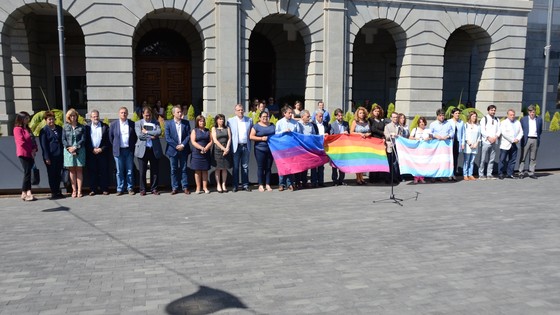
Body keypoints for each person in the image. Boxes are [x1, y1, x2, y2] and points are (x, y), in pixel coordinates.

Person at [135, 106, 163, 196]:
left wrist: (146, 132)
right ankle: (142, 189)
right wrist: (151, 136)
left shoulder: (156, 122)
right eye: (146, 115)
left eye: (150, 115)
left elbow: (158, 132)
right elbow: (140, 135)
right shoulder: (138, 123)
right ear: (142, 114)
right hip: (142, 150)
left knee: (155, 171)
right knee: (142, 171)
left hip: (154, 149)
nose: (148, 117)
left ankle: (154, 188)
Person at [109, 106, 137, 195]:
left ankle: (130, 188)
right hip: (118, 150)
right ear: (119, 114)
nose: (123, 114)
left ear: (127, 114)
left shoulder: (132, 124)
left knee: (129, 170)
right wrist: (115, 146)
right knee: (119, 171)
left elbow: (135, 137)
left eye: (125, 113)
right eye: (122, 112)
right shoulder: (113, 124)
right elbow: (110, 137)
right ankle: (120, 189)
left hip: (129, 150)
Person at [165, 105, 191, 195]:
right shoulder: (168, 123)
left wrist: (183, 145)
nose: (180, 113)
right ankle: (175, 187)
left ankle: (185, 187)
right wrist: (177, 146)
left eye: (181, 112)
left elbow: (188, 135)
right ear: (173, 113)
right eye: (178, 112)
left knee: (184, 169)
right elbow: (167, 138)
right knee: (173, 169)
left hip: (183, 149)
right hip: (173, 150)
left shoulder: (186, 123)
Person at [275, 105, 303, 191]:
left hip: (292, 147)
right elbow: (276, 134)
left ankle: (290, 183)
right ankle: (281, 184)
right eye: (289, 113)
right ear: (284, 113)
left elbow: (299, 134)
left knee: (291, 166)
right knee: (282, 165)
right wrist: (284, 131)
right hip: (282, 148)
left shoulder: (295, 123)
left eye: (292, 113)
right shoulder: (279, 122)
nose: (291, 114)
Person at [227, 104, 253, 192]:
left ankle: (245, 185)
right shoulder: (230, 121)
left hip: (246, 145)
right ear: (235, 111)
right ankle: (235, 185)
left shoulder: (249, 120)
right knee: (236, 167)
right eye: (238, 110)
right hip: (236, 146)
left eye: (242, 110)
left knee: (245, 166)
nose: (241, 111)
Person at [39, 111, 64, 199]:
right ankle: (54, 191)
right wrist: (46, 157)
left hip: (59, 155)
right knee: (52, 174)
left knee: (58, 174)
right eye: (49, 119)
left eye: (52, 119)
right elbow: (43, 145)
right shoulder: (44, 131)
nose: (51, 121)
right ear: (46, 120)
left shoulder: (59, 128)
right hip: (50, 156)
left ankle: (58, 190)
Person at [85, 109, 111, 196]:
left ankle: (104, 189)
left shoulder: (105, 126)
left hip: (102, 152)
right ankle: (93, 189)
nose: (96, 118)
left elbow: (108, 141)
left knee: (103, 171)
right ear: (91, 118)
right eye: (94, 116)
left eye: (97, 116)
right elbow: (86, 141)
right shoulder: (87, 127)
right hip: (91, 153)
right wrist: (92, 149)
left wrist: (101, 149)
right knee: (92, 171)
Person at [13, 111, 38, 201]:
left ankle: (28, 192)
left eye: (28, 118)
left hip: (30, 153)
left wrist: (35, 148)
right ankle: (24, 192)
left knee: (29, 172)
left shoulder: (28, 128)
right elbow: (21, 142)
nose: (28, 120)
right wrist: (30, 150)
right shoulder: (17, 129)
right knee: (27, 172)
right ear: (21, 119)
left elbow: (32, 140)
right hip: (23, 153)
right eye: (26, 118)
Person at [62, 108, 86, 198]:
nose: (73, 117)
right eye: (71, 116)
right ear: (68, 117)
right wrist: (69, 148)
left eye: (74, 115)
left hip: (80, 149)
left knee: (79, 169)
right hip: (68, 151)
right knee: (72, 170)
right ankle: (74, 190)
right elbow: (63, 139)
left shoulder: (81, 127)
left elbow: (83, 139)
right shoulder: (65, 127)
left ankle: (80, 190)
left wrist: (75, 147)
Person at [249, 111, 275, 192]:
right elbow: (251, 136)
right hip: (259, 149)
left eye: (266, 116)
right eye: (263, 116)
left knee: (268, 168)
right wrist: (261, 138)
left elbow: (277, 134)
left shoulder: (272, 125)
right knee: (260, 167)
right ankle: (260, 185)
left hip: (270, 149)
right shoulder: (256, 126)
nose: (265, 118)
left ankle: (267, 184)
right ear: (259, 118)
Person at [429, 108, 454, 182]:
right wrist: (435, 135)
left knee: (443, 161)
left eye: (443, 115)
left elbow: (452, 133)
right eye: (440, 115)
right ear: (437, 116)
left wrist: (448, 136)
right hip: (436, 145)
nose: (442, 117)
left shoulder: (448, 123)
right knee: (435, 160)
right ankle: (433, 176)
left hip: (445, 145)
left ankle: (442, 176)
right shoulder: (433, 124)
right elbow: (430, 134)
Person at [518, 105, 543, 179]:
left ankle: (531, 172)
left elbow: (540, 130)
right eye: (530, 112)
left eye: (533, 112)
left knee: (533, 157)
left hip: (535, 139)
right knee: (523, 156)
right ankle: (520, 172)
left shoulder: (539, 119)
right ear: (528, 112)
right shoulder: (523, 119)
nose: (532, 113)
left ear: (535, 112)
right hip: (526, 139)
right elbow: (520, 129)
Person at [190, 115, 213, 194]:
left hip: (206, 153)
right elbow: (193, 141)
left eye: (203, 121)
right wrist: (201, 148)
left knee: (205, 170)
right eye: (200, 121)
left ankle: (205, 187)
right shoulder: (194, 130)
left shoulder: (208, 130)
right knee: (197, 171)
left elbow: (211, 141)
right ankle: (198, 187)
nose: (202, 122)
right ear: (197, 122)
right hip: (197, 153)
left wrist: (206, 148)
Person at [498, 109, 523, 179]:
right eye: (511, 115)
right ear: (507, 115)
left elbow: (521, 132)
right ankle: (500, 173)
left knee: (512, 160)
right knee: (502, 159)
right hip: (506, 144)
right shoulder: (504, 122)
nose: (512, 116)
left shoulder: (517, 122)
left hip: (515, 143)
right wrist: (512, 140)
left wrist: (518, 139)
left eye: (513, 115)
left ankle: (510, 173)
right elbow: (504, 133)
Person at [211, 114, 232, 193]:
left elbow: (229, 138)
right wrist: (223, 149)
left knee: (224, 168)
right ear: (216, 120)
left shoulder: (227, 128)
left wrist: (227, 148)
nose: (221, 121)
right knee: (218, 168)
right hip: (217, 150)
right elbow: (215, 140)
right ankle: (218, 184)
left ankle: (224, 184)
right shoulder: (214, 128)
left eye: (222, 119)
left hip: (226, 149)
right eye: (220, 119)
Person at [350, 106, 371, 185]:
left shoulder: (367, 122)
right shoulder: (355, 122)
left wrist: (367, 134)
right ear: (357, 114)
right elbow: (351, 132)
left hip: (365, 144)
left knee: (363, 161)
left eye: (363, 113)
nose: (362, 114)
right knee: (358, 161)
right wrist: (359, 134)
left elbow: (370, 131)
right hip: (357, 144)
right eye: (360, 113)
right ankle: (358, 178)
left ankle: (362, 177)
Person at [479, 105, 500, 179]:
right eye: (491, 110)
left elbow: (499, 130)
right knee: (483, 159)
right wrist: (488, 137)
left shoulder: (497, 119)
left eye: (494, 110)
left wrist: (495, 137)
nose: (493, 112)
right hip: (486, 141)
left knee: (491, 159)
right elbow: (482, 130)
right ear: (488, 111)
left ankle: (489, 174)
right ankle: (481, 174)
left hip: (494, 141)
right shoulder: (484, 119)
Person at [297, 109, 317, 188]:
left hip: (309, 148)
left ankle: (305, 182)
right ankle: (298, 182)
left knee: (306, 166)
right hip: (301, 148)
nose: (309, 118)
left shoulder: (311, 125)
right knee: (300, 166)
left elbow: (314, 135)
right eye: (307, 116)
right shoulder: (298, 124)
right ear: (302, 117)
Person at [329, 108, 349, 186]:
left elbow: (349, 134)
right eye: (339, 116)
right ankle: (335, 180)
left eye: (342, 115)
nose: (341, 117)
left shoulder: (346, 124)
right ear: (336, 116)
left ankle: (341, 179)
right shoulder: (332, 125)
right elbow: (332, 136)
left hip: (344, 147)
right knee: (335, 164)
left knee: (343, 163)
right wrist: (341, 134)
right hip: (336, 147)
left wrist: (347, 133)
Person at [409, 116, 431, 184]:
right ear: (418, 123)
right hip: (416, 149)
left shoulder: (428, 130)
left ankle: (422, 178)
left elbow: (431, 138)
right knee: (416, 164)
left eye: (423, 122)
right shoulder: (415, 130)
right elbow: (410, 137)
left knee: (423, 164)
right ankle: (416, 178)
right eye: (420, 122)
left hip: (424, 150)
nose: (422, 123)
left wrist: (428, 138)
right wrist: (416, 139)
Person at [368, 105, 386, 183]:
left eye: (378, 111)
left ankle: (378, 177)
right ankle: (372, 178)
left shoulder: (382, 121)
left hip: (380, 141)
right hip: (373, 141)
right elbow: (373, 129)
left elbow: (383, 129)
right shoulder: (370, 120)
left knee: (379, 160)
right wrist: (382, 132)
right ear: (372, 112)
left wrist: (383, 137)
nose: (377, 113)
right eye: (375, 111)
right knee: (373, 160)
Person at [312, 109, 330, 187]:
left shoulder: (326, 124)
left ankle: (321, 181)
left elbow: (329, 133)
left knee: (321, 165)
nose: (321, 118)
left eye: (322, 116)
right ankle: (313, 182)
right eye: (319, 116)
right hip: (315, 146)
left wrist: (327, 135)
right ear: (316, 116)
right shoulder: (312, 124)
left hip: (323, 146)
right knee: (314, 165)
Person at [384, 112, 402, 184]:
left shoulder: (399, 127)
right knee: (389, 163)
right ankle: (388, 179)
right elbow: (386, 136)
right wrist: (391, 135)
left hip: (397, 147)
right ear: (391, 118)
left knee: (395, 163)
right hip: (390, 147)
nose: (395, 119)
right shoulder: (387, 126)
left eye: (396, 117)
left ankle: (395, 178)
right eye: (394, 117)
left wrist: (399, 136)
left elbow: (401, 136)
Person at [463, 111, 481, 181]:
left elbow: (479, 136)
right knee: (466, 161)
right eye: (473, 116)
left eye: (475, 116)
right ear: (470, 117)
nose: (474, 117)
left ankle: (470, 174)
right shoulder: (466, 125)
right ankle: (465, 174)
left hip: (475, 145)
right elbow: (465, 135)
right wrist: (469, 143)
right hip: (468, 146)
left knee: (472, 161)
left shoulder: (478, 126)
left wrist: (476, 143)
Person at [448, 108, 465, 180]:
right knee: (449, 158)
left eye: (458, 113)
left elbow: (463, 133)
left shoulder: (461, 122)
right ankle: (449, 174)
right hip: (450, 142)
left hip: (458, 142)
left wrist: (463, 143)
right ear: (452, 114)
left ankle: (454, 173)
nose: (457, 115)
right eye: (456, 113)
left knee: (455, 158)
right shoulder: (448, 122)